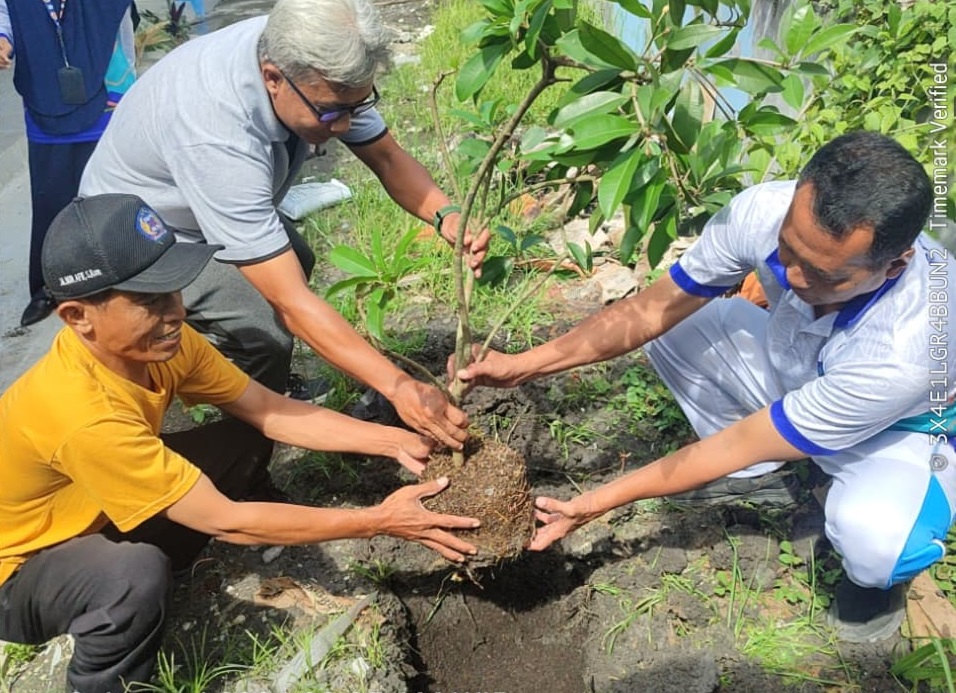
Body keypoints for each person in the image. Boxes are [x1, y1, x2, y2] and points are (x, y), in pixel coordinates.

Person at [454, 132, 956, 643]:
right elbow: (652, 309)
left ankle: (877, 579)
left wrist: (593, 503)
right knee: (678, 324)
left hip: (904, 429)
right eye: (788, 249)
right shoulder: (764, 211)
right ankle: (764, 478)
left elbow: (738, 443)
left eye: (824, 274)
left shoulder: (909, 346)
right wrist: (521, 366)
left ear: (895, 264)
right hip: (809, 369)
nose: (794, 276)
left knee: (877, 540)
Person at [0, 194, 479, 693]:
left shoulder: (163, 343)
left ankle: (169, 565)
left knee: (240, 437)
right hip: (20, 569)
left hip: (95, 509)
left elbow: (266, 409)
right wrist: (380, 521)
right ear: (78, 316)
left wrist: (393, 441)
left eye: (173, 289)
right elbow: (227, 521)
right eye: (149, 301)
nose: (175, 312)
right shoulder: (80, 414)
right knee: (132, 576)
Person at [78, 0, 487, 452]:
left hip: (196, 205)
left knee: (299, 259)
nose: (345, 125)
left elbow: (387, 158)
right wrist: (398, 387)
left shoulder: (316, 57)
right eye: (331, 112)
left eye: (357, 106)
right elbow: (289, 301)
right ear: (273, 78)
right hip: (141, 237)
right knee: (262, 330)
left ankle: (243, 384)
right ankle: (239, 456)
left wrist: (447, 215)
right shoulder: (218, 130)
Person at [0, 0, 136, 327]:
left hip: (109, 87)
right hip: (45, 92)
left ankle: (129, 271)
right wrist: (3, 38)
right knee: (51, 196)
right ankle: (52, 285)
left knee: (114, 192)